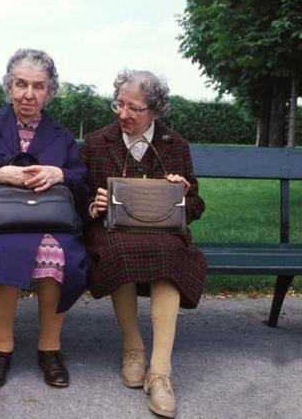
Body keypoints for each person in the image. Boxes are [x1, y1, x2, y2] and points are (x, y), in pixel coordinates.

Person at [0, 48, 89, 388]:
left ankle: (50, 349)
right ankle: (0, 349)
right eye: (21, 84)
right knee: (3, 250)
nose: (29, 94)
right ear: (9, 86)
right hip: (1, 221)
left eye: (38, 86)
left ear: (50, 92)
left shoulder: (61, 134)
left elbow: (84, 182)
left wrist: (59, 174)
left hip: (52, 221)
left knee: (60, 252)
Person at [81, 70, 206, 418]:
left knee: (169, 254)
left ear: (155, 110)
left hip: (163, 233)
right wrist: (94, 206)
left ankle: (160, 372)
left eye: (133, 108)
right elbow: (76, 198)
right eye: (118, 104)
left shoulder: (174, 144)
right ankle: (133, 346)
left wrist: (182, 195)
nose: (122, 114)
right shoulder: (97, 142)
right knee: (120, 249)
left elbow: (197, 205)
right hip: (112, 231)